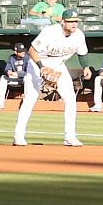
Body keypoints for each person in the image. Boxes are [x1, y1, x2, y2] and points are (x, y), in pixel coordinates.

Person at [14, 10, 87, 147]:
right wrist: (41, 67)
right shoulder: (50, 32)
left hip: (59, 65)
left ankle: (69, 137)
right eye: (71, 21)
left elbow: (82, 53)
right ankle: (18, 136)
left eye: (76, 21)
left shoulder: (79, 35)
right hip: (38, 63)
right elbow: (32, 51)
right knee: (30, 99)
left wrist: (86, 67)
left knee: (70, 99)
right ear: (63, 22)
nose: (74, 24)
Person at [0, 42, 28, 109]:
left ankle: (26, 104)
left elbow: (29, 72)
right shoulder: (11, 58)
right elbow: (7, 69)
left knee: (27, 78)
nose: (23, 53)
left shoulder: (27, 58)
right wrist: (8, 72)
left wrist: (18, 74)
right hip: (15, 78)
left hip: (24, 78)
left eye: (23, 51)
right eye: (20, 51)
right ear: (16, 52)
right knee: (3, 78)